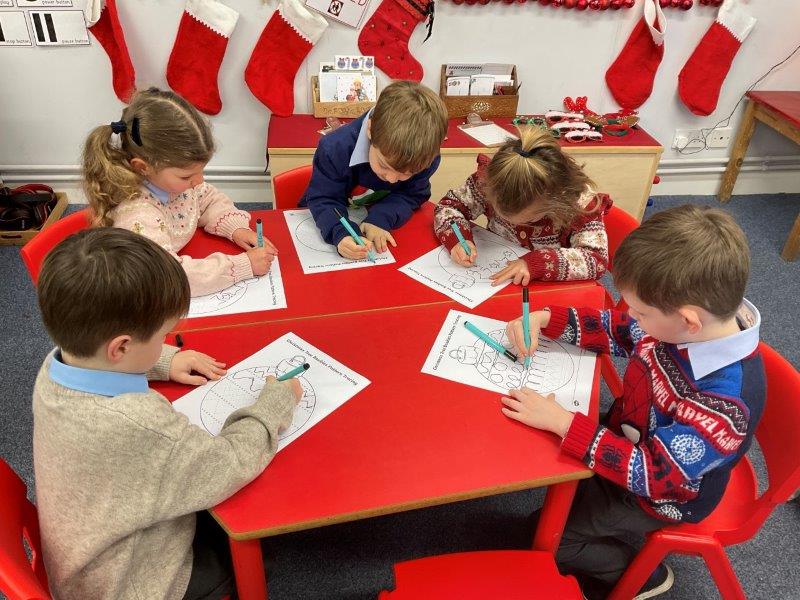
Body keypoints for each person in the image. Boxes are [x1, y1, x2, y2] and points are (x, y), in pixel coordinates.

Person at [503, 205, 765, 598]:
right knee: (552, 504)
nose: (634, 318)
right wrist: (548, 319)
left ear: (688, 321)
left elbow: (655, 476)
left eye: (640, 311)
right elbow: (624, 331)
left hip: (665, 493)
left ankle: (643, 575)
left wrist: (565, 424)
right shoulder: (680, 326)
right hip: (631, 439)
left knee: (553, 540)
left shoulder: (723, 406)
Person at [33, 228, 300, 599]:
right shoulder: (137, 424)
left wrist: (162, 361)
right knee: (264, 529)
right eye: (162, 336)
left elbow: (102, 361)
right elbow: (229, 464)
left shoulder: (55, 365)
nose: (165, 342)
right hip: (133, 584)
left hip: (87, 557)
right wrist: (273, 405)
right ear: (121, 347)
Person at [82, 87, 276, 297]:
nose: (199, 181)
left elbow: (208, 198)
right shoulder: (137, 215)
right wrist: (243, 265)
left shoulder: (171, 183)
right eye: (186, 176)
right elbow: (169, 275)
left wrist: (235, 228)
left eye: (201, 171)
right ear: (143, 167)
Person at [434, 126, 611, 285]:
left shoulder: (578, 204)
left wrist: (537, 263)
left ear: (554, 201)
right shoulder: (489, 182)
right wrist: (458, 239)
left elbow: (596, 260)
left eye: (530, 219)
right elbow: (449, 208)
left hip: (546, 291)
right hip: (498, 283)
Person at [301, 80, 448, 259]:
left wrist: (380, 218)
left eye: (407, 174)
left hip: (380, 225)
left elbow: (413, 194)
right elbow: (324, 198)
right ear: (370, 130)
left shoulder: (424, 158)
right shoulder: (335, 148)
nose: (392, 179)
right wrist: (339, 231)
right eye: (384, 166)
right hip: (328, 220)